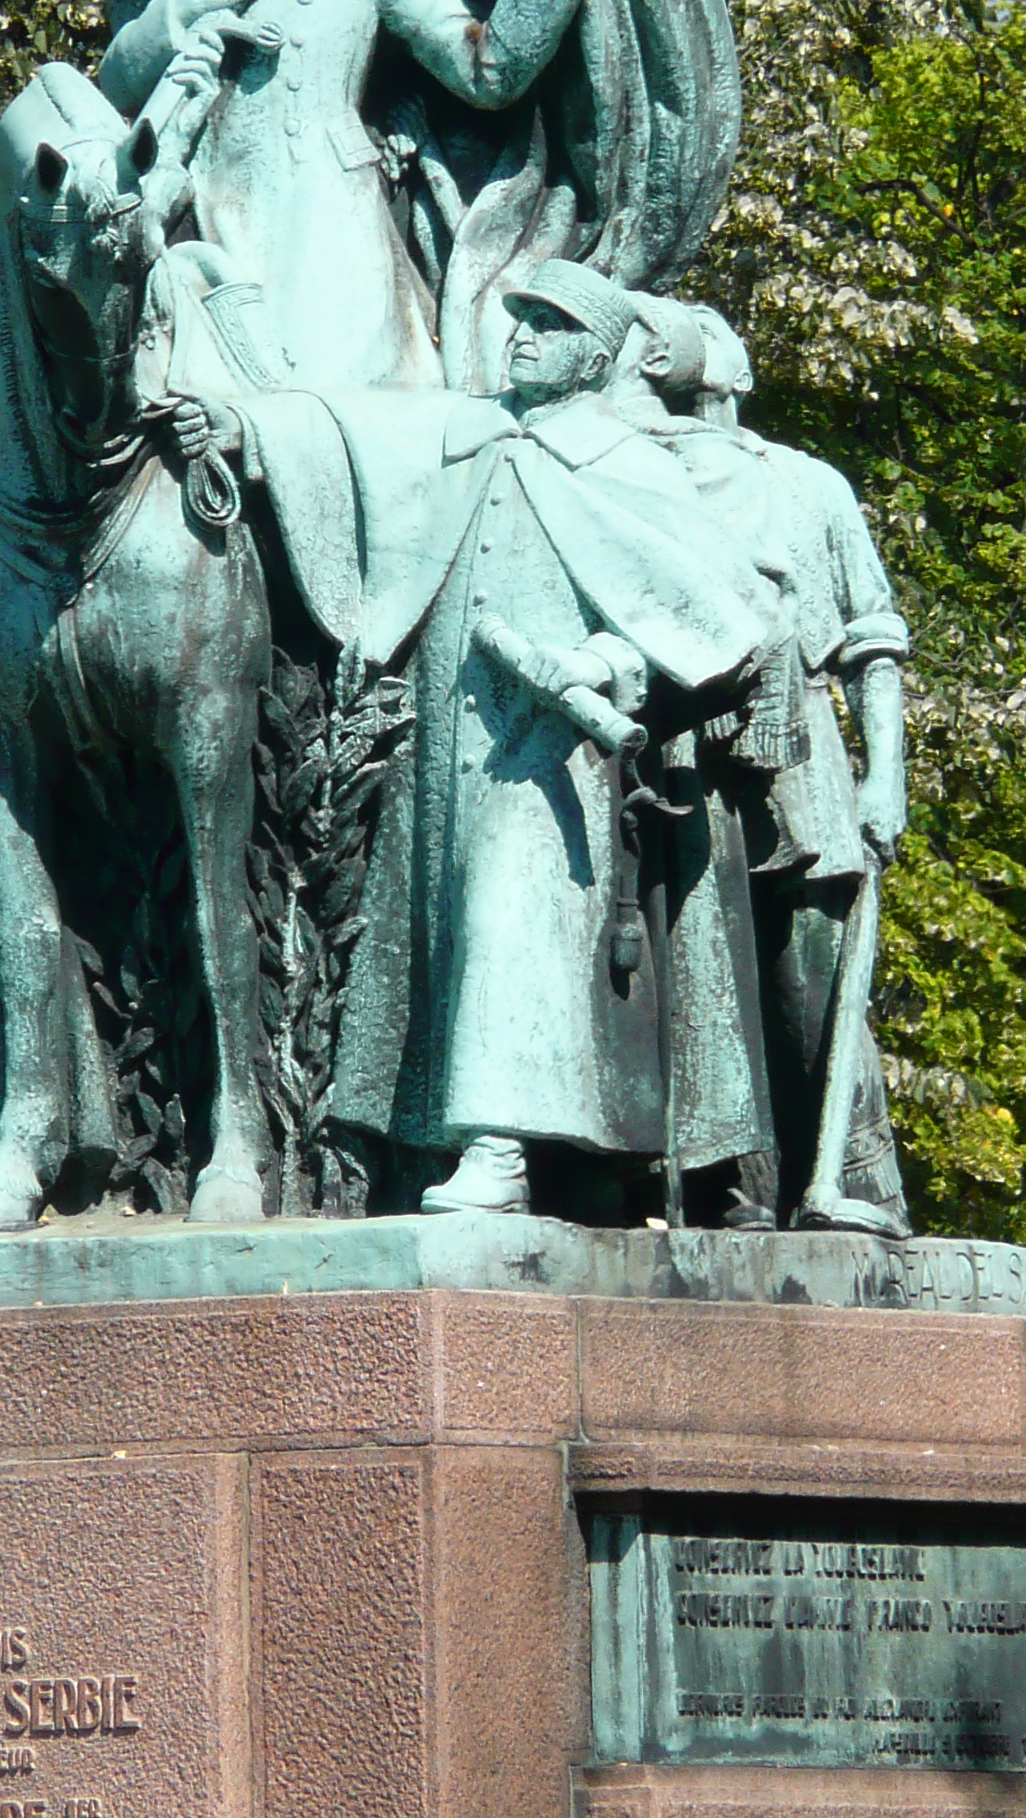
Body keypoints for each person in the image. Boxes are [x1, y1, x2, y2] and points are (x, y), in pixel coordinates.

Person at [326, 258, 790, 1211]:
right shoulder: (471, 436)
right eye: (521, 317)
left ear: (596, 355)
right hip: (443, 743)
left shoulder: (625, 462)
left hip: (549, 752)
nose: (524, 334)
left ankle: (499, 1152)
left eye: (551, 323)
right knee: (439, 933)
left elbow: (719, 606)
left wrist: (608, 664)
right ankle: (408, 1144)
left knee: (512, 923)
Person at [97, 0, 588, 390]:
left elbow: (486, 74)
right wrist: (186, 4)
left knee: (349, 399)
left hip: (321, 212)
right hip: (203, 205)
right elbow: (116, 87)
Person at [620, 299, 912, 1233]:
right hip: (682, 762)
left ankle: (854, 1187)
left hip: (803, 761)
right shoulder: (631, 477)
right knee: (703, 980)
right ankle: (730, 1196)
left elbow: (873, 640)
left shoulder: (806, 484)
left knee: (813, 982)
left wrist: (885, 775)